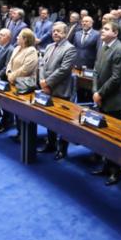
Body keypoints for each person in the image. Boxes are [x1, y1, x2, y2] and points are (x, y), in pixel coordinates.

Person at [90, 21, 121, 185]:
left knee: (114, 139)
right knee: (103, 136)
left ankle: (116, 171)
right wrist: (94, 91)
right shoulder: (103, 46)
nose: (102, 31)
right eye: (102, 28)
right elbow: (95, 71)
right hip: (101, 97)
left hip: (114, 101)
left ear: (116, 33)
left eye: (106, 29)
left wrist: (100, 92)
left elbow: (116, 78)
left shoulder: (120, 49)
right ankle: (106, 166)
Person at [38, 22, 77, 160]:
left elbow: (64, 70)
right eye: (54, 31)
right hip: (46, 88)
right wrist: (43, 81)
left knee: (62, 123)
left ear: (65, 33)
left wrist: (47, 83)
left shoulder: (70, 48)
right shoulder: (49, 46)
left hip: (60, 90)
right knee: (49, 118)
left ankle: (62, 149)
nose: (55, 33)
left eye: (59, 31)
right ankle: (51, 143)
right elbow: (41, 64)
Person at [6, 28, 38, 93]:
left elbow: (25, 70)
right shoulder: (16, 48)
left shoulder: (31, 51)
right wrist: (9, 73)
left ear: (25, 39)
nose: (17, 37)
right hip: (12, 82)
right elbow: (10, 63)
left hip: (23, 86)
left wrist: (12, 76)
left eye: (19, 36)